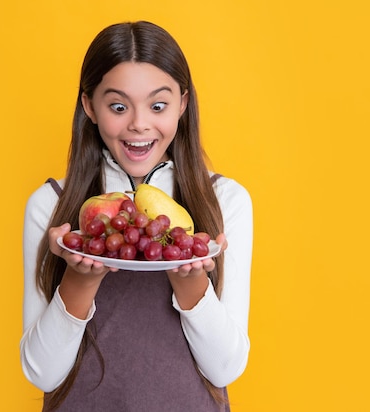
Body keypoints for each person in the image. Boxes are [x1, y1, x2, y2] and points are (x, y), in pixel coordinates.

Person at [20, 21, 253, 411]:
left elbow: (225, 368)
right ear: (89, 106)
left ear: (183, 102)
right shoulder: (51, 205)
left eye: (158, 106)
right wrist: (78, 279)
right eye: (118, 106)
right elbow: (43, 373)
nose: (139, 123)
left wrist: (193, 278)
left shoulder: (224, 201)